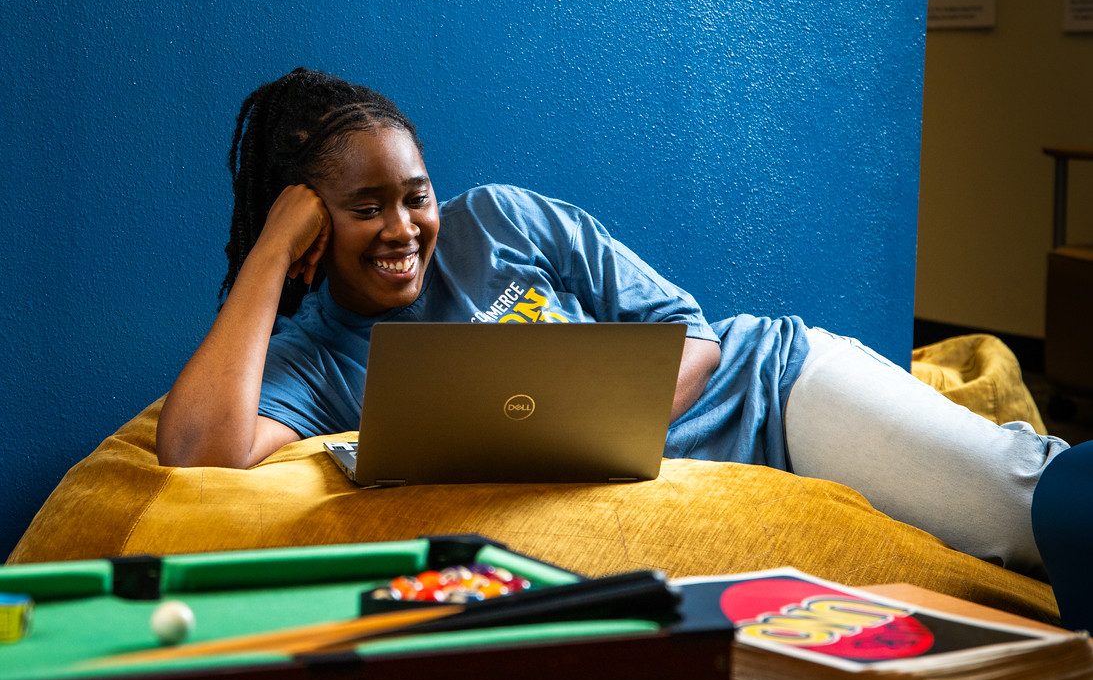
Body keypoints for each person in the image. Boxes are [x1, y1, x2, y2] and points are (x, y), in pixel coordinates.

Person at [157, 67, 1068, 579]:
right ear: (312, 219)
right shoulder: (316, 359)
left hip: (777, 391)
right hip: (706, 488)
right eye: (364, 207)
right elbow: (197, 450)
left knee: (1022, 503)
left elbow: (696, 332)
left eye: (415, 196)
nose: (403, 229)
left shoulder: (503, 219)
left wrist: (582, 435)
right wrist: (273, 252)